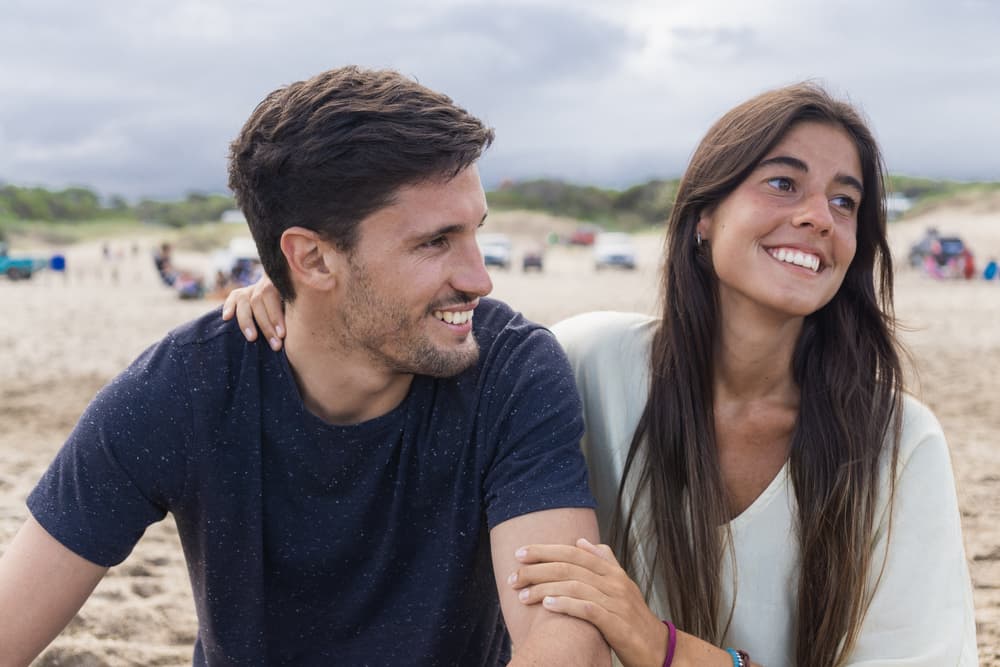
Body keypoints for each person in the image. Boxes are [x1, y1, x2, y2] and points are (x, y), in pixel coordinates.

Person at [229, 83, 979, 666]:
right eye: (783, 184)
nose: (820, 216)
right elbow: (411, 337)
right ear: (704, 215)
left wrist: (656, 644)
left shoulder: (895, 442)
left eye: (846, 202)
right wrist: (307, 294)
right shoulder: (588, 361)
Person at [0, 67, 610, 666]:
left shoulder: (511, 371)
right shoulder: (186, 386)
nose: (480, 279)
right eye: (435, 242)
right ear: (313, 260)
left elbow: (563, 640)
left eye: (476, 232)